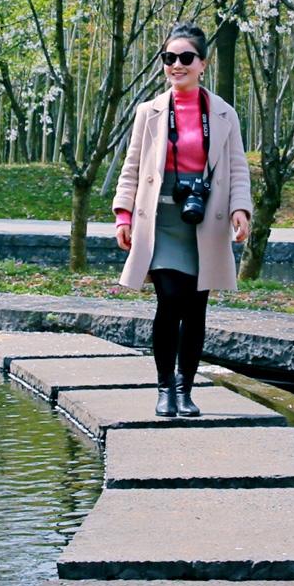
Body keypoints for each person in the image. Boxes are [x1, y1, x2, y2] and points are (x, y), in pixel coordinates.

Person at [112, 23, 253, 418]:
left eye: (185, 58)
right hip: (160, 218)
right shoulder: (149, 111)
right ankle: (164, 387)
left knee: (195, 309)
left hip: (206, 217)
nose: (177, 65)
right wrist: (123, 213)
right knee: (170, 300)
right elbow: (132, 167)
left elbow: (238, 168)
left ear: (202, 64)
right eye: (169, 58)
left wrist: (241, 209)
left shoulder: (224, 112)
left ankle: (186, 390)